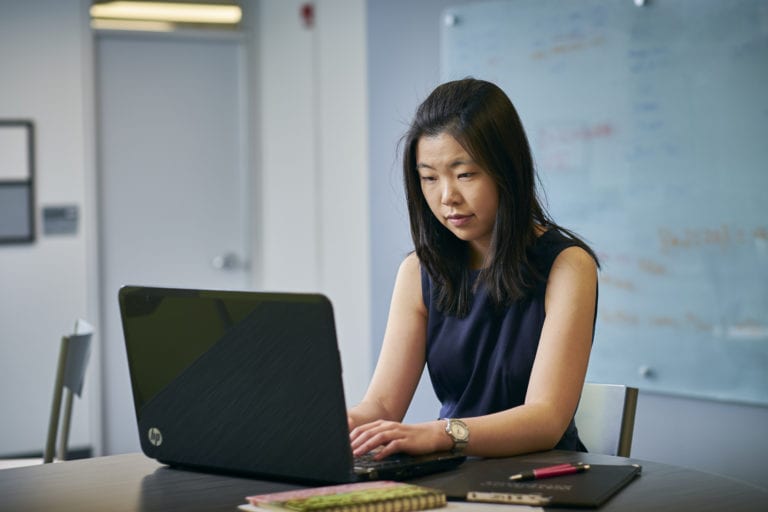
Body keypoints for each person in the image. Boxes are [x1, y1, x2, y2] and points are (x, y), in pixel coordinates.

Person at [348, 78, 599, 460]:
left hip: (541, 479)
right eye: (429, 178)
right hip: (451, 474)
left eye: (465, 174)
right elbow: (381, 407)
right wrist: (325, 423)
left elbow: (545, 419)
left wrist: (441, 433)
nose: (447, 196)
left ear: (506, 170)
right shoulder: (420, 270)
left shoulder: (567, 266)